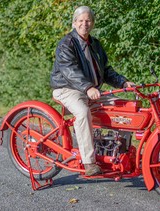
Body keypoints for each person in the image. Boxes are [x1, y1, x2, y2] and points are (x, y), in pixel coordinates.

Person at [50, 6, 135, 176]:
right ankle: (89, 162)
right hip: (67, 89)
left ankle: (119, 152)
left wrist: (123, 82)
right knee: (82, 113)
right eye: (80, 21)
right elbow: (69, 70)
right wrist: (88, 87)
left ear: (93, 23)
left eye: (88, 20)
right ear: (74, 23)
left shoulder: (95, 44)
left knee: (125, 107)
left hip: (90, 90)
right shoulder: (66, 43)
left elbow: (106, 70)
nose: (84, 24)